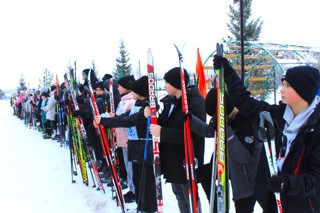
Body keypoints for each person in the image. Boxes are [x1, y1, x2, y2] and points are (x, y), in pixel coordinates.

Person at [214, 55, 320, 213]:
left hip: (301, 206)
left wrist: (287, 183)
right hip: (273, 201)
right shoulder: (280, 115)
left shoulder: (315, 129)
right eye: (283, 84)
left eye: (288, 85)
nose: (282, 89)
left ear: (303, 91)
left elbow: (316, 181)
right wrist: (229, 74)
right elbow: (247, 103)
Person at [188, 88, 262, 213]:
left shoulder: (246, 120)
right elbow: (210, 131)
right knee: (204, 173)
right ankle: (218, 207)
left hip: (247, 177)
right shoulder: (224, 118)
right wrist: (191, 120)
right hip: (228, 165)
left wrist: (226, 130)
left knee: (243, 208)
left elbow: (244, 157)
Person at [94, 75, 157, 213]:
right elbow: (124, 117)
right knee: (136, 177)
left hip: (144, 146)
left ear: (140, 93)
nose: (131, 93)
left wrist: (106, 122)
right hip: (134, 144)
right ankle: (141, 205)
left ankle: (149, 207)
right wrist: (104, 121)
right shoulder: (137, 104)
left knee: (145, 178)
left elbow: (130, 121)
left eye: (134, 91)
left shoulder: (147, 107)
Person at [147, 67, 206, 213]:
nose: (165, 85)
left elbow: (193, 134)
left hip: (187, 159)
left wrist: (162, 132)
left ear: (176, 84)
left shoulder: (194, 103)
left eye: (167, 82)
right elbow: (164, 122)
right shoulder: (171, 101)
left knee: (190, 197)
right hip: (172, 158)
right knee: (179, 195)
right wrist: (151, 115)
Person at [114, 75, 136, 203]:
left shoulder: (131, 100)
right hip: (122, 137)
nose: (118, 88)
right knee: (128, 166)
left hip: (128, 138)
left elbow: (125, 117)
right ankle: (131, 188)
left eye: (120, 86)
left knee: (131, 166)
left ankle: (134, 190)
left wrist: (115, 118)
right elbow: (119, 115)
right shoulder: (123, 99)